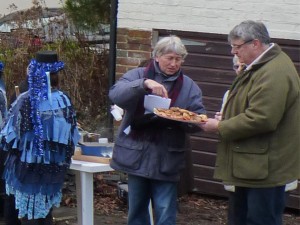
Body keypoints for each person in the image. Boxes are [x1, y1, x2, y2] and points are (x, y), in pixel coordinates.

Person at [200, 20, 300, 225]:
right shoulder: (260, 66)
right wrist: (228, 116)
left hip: (265, 169)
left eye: (237, 47)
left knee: (260, 220)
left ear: (255, 44)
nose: (232, 53)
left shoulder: (274, 72)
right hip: (253, 166)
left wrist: (220, 126)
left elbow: (262, 118)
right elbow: (250, 105)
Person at [109, 35, 206, 225]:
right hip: (136, 154)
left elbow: (198, 118)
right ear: (157, 57)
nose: (173, 63)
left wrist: (181, 120)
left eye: (178, 59)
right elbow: (115, 94)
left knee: (165, 210)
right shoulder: (137, 75)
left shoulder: (189, 86)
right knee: (137, 210)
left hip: (167, 157)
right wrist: (144, 84)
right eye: (169, 58)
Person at [0, 50, 80, 225]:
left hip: (26, 171)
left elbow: (8, 138)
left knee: (29, 216)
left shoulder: (26, 99)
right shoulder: (65, 100)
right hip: (53, 169)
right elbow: (72, 138)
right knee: (44, 215)